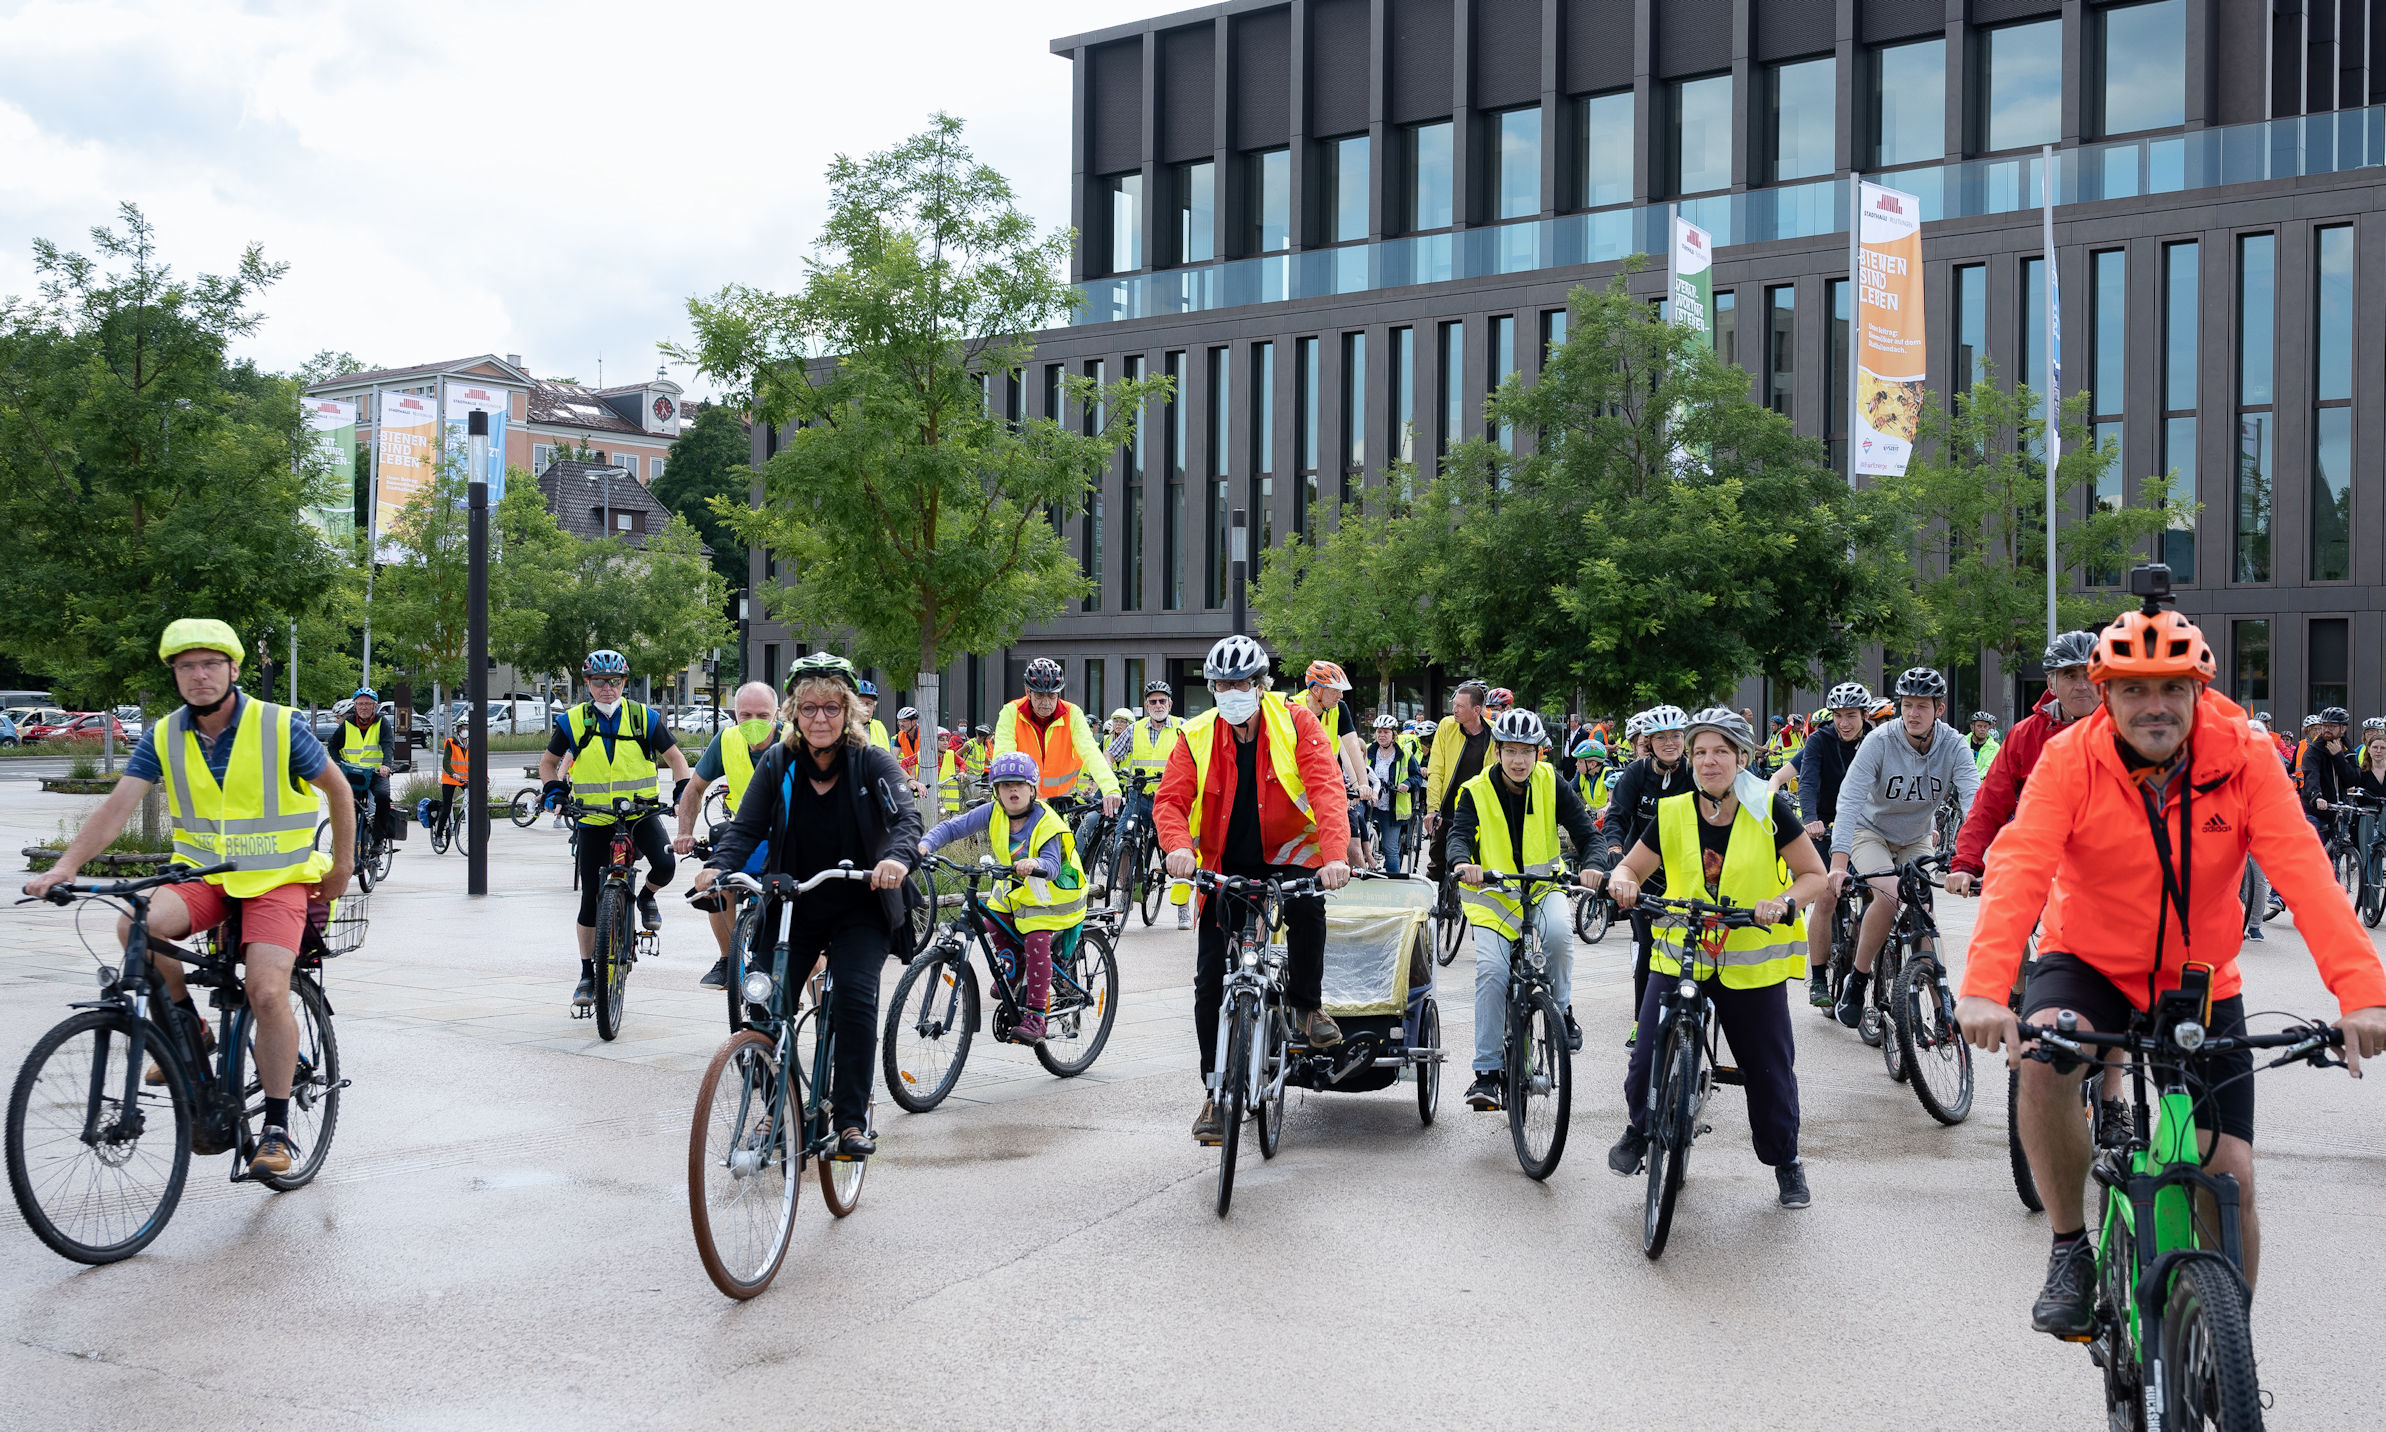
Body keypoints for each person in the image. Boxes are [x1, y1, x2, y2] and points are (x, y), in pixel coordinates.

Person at [1952, 579, 2386, 1333]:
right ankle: (2068, 1244)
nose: (2156, 706)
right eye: (2135, 690)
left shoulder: (2246, 756)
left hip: (2200, 977)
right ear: (2105, 694)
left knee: (2231, 1174)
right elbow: (2020, 865)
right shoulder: (2068, 759)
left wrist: (2362, 995)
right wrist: (1987, 988)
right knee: (2044, 1058)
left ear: (2199, 690)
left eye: (2173, 690)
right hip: (2087, 957)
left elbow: (2307, 877)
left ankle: (2224, 1346)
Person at [25, 619, 353, 1177]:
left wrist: (341, 867)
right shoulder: (163, 734)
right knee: (135, 926)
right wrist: (65, 866)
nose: (198, 676)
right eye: (185, 666)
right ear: (174, 675)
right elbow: (117, 807)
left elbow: (338, 789)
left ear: (234, 670)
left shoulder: (278, 726)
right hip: (205, 877)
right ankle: (188, 1032)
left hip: (277, 879)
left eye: (209, 664)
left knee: (267, 992)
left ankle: (275, 1128)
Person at [692, 652, 919, 1158]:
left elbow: (907, 820)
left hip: (862, 902)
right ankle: (780, 1105)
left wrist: (898, 861)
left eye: (832, 708)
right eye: (810, 708)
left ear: (850, 712)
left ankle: (851, 1119)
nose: (821, 719)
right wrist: (719, 866)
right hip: (793, 900)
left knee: (857, 999)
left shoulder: (871, 760)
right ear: (794, 711)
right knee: (764, 1001)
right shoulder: (779, 761)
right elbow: (747, 826)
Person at [1605, 708, 1829, 1208]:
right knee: (1644, 1055)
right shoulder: (1673, 812)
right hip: (1681, 950)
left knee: (1769, 1067)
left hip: (1749, 957)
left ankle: (1785, 1161)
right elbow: (1631, 867)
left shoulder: (1769, 808)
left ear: (1742, 758)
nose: (1709, 762)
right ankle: (1640, 1131)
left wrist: (1785, 902)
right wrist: (1622, 879)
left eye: (1721, 752)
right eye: (1700, 752)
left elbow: (1812, 875)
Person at [1154, 634, 1352, 1143]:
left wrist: (1333, 856)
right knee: (1207, 982)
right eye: (1221, 684)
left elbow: (1327, 788)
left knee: (1309, 908)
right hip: (1225, 862)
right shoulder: (1195, 734)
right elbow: (1171, 800)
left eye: (1241, 682)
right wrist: (1177, 846)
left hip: (1289, 853)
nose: (1231, 691)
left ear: (1261, 686)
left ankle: (1306, 1006)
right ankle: (1215, 1093)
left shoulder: (1298, 722)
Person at [1449, 710, 1603, 1109]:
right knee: (1493, 973)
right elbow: (1459, 835)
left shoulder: (1553, 782)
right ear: (1498, 751)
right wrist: (1462, 864)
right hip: (1493, 898)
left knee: (1557, 937)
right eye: (1511, 751)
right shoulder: (1475, 790)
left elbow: (1587, 835)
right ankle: (1485, 1073)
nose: (1519, 760)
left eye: (1527, 752)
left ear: (1540, 754)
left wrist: (1593, 865)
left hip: (1541, 889)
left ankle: (1563, 1012)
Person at [539, 649, 694, 1011]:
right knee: (590, 895)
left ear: (625, 682)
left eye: (614, 681)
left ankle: (646, 897)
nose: (606, 688)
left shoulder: (644, 717)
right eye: (598, 682)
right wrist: (554, 789)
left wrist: (682, 787)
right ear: (587, 684)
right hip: (594, 818)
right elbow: (548, 763)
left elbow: (676, 758)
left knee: (666, 864)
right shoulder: (573, 720)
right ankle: (587, 973)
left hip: (639, 814)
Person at [1828, 668, 1979, 1029]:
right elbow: (1848, 800)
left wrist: (1979, 860)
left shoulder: (1955, 744)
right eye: (1907, 705)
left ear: (1939, 709)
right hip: (1870, 832)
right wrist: (1838, 862)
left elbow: (1976, 801)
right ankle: (1858, 980)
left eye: (1922, 706)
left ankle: (1941, 1001)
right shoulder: (1879, 741)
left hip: (1916, 837)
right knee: (1891, 895)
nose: (1912, 713)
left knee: (1923, 908)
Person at [917, 751, 1085, 1043]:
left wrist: (1036, 864)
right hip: (1016, 889)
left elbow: (1054, 866)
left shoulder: (1047, 822)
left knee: (1035, 940)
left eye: (1019, 784)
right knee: (991, 924)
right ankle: (1015, 969)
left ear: (1032, 789)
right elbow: (954, 827)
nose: (1012, 790)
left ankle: (1036, 1016)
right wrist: (925, 845)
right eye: (1005, 785)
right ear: (996, 790)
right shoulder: (993, 811)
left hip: (1053, 893)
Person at [1946, 631, 2103, 899]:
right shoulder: (2025, 735)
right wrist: (1966, 863)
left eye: (2090, 674)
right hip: (2038, 854)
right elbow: (1990, 802)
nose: (2082, 684)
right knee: (2003, 923)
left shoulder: (2125, 730)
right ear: (2051, 684)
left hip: (2103, 859)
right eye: (2070, 675)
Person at [673, 681, 781, 990]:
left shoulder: (795, 740)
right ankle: (727, 959)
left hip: (788, 834)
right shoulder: (727, 740)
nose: (753, 722)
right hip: (744, 832)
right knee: (714, 883)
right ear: (735, 714)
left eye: (762, 714)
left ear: (776, 714)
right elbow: (694, 788)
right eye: (745, 715)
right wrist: (684, 833)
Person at [1600, 704, 1693, 1026]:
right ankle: (1643, 1022)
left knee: (1692, 943)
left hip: (1687, 872)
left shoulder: (1695, 772)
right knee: (1650, 944)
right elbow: (1617, 815)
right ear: (1648, 742)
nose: (1670, 743)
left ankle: (1693, 1011)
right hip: (1643, 873)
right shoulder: (1636, 773)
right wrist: (1614, 850)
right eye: (1661, 737)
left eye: (1676, 736)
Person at [1793, 684, 1873, 1007]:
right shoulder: (1819, 740)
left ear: (1865, 716)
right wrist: (1810, 818)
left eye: (1851, 716)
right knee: (1827, 895)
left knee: (1875, 894)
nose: (1844, 723)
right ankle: (1819, 978)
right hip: (1825, 824)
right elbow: (1808, 780)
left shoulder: (1876, 740)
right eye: (1838, 716)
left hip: (1866, 827)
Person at [991, 656, 1122, 817]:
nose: (1046, 702)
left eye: (1052, 696)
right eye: (1039, 695)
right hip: (1020, 805)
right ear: (1028, 692)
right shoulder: (1011, 712)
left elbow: (1091, 753)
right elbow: (1003, 757)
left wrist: (1110, 788)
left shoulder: (1072, 714)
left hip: (1058, 806)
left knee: (1063, 842)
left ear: (1059, 693)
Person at [1110, 680, 1193, 927]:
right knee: (1121, 837)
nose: (1158, 705)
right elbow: (1111, 753)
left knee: (1178, 849)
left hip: (1170, 800)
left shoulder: (1182, 727)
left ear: (1170, 703)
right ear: (1146, 705)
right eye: (1153, 701)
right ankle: (1124, 892)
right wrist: (1106, 774)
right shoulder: (1134, 729)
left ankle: (1183, 908)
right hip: (1140, 797)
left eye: (1162, 701)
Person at [1297, 660, 1377, 867]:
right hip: (1296, 786)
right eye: (1336, 691)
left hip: (1326, 783)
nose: (1341, 696)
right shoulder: (1292, 708)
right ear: (1316, 690)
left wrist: (1362, 783)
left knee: (1346, 845)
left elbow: (1352, 746)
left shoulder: (1339, 709)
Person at [1424, 681, 1496, 884]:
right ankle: (1435, 909)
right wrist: (1432, 808)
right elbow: (1436, 769)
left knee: (1474, 865)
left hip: (1476, 810)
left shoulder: (1493, 734)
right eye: (1453, 704)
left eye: (1459, 706)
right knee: (1437, 864)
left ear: (1477, 710)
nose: (1453, 710)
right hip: (1447, 808)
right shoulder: (1447, 726)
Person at [1365, 713, 1422, 875]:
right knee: (1359, 844)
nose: (1381, 735)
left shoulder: (1404, 754)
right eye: (1379, 732)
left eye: (1386, 732)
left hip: (1392, 810)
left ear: (1394, 735)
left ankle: (1394, 883)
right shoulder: (1368, 750)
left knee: (1390, 851)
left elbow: (1417, 776)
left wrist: (1407, 784)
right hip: (1370, 805)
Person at [335, 687, 394, 833]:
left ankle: (378, 839)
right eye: (360, 704)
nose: (364, 707)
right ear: (355, 706)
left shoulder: (382, 723)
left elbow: (388, 745)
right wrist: (339, 763)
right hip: (353, 773)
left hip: (376, 774)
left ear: (375, 706)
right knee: (347, 804)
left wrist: (386, 765)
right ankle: (350, 841)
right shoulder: (347, 724)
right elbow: (332, 746)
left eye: (368, 704)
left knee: (383, 797)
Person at [2298, 705, 2357, 844]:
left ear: (2343, 728)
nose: (2327, 730)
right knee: (2315, 851)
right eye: (2324, 726)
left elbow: (2353, 779)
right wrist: (2317, 796)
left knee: (2337, 851)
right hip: (2316, 811)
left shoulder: (2347, 749)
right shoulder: (2313, 751)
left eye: (2332, 726)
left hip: (2338, 811)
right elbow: (2311, 775)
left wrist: (2339, 757)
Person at [433, 723, 468, 835]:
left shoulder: (471, 744)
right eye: (463, 728)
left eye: (467, 728)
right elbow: (446, 762)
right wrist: (453, 774)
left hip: (465, 779)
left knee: (474, 801)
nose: (465, 730)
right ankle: (439, 835)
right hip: (450, 779)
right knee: (447, 807)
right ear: (458, 730)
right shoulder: (451, 742)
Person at [857, 680, 893, 755]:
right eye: (859, 703)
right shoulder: (841, 728)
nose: (864, 708)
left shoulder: (880, 727)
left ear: (874, 707)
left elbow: (891, 760)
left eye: (868, 703)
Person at [1966, 711, 2001, 776]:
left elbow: (1989, 768)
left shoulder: (1995, 747)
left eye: (1985, 727)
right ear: (1972, 727)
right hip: (1963, 783)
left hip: (1983, 784)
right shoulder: (1963, 742)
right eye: (1979, 726)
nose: (1982, 729)